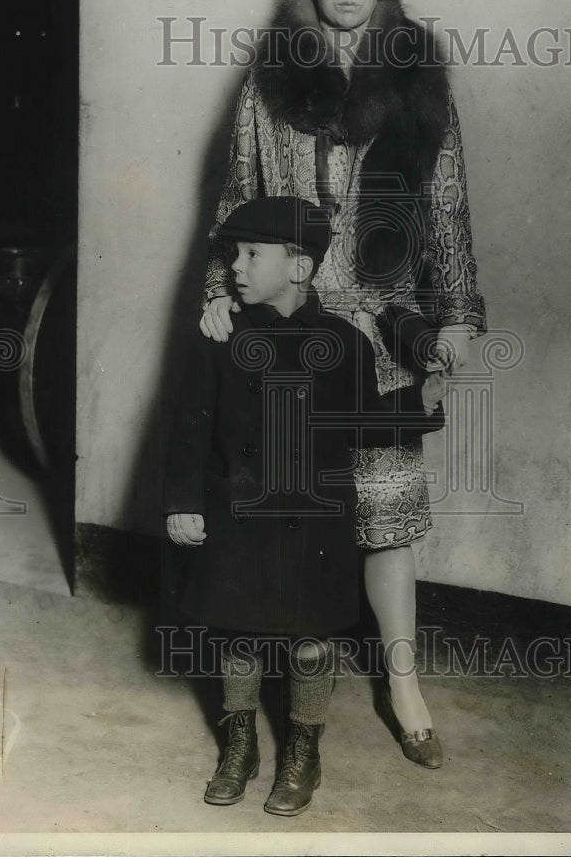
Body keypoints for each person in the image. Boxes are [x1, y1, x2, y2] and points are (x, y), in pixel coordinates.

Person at [199, 0, 487, 768]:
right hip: (286, 337)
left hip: (384, 331)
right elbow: (232, 198)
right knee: (286, 513)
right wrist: (221, 292)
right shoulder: (268, 78)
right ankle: (288, 721)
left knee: (387, 517)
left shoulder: (418, 76)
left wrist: (459, 315)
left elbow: (444, 206)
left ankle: (402, 683)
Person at [164, 196, 445, 816]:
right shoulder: (220, 335)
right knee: (236, 629)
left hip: (317, 518)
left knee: (310, 637)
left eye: (251, 253)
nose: (235, 265)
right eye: (234, 252)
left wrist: (422, 402)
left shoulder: (343, 342)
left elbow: (365, 422)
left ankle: (303, 748)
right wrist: (184, 502)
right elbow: (190, 424)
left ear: (299, 267)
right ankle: (238, 744)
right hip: (238, 511)